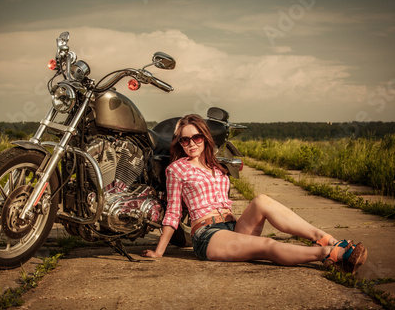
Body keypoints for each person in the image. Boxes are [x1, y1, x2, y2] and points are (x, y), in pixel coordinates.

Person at [142, 114, 367, 273]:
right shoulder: (177, 169)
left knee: (261, 200)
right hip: (208, 236)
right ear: (179, 142)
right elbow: (172, 212)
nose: (191, 143)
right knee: (267, 246)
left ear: (205, 137)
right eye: (184, 139)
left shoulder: (216, 167)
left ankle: (327, 239)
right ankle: (328, 254)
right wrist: (159, 251)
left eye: (196, 137)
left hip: (232, 226)